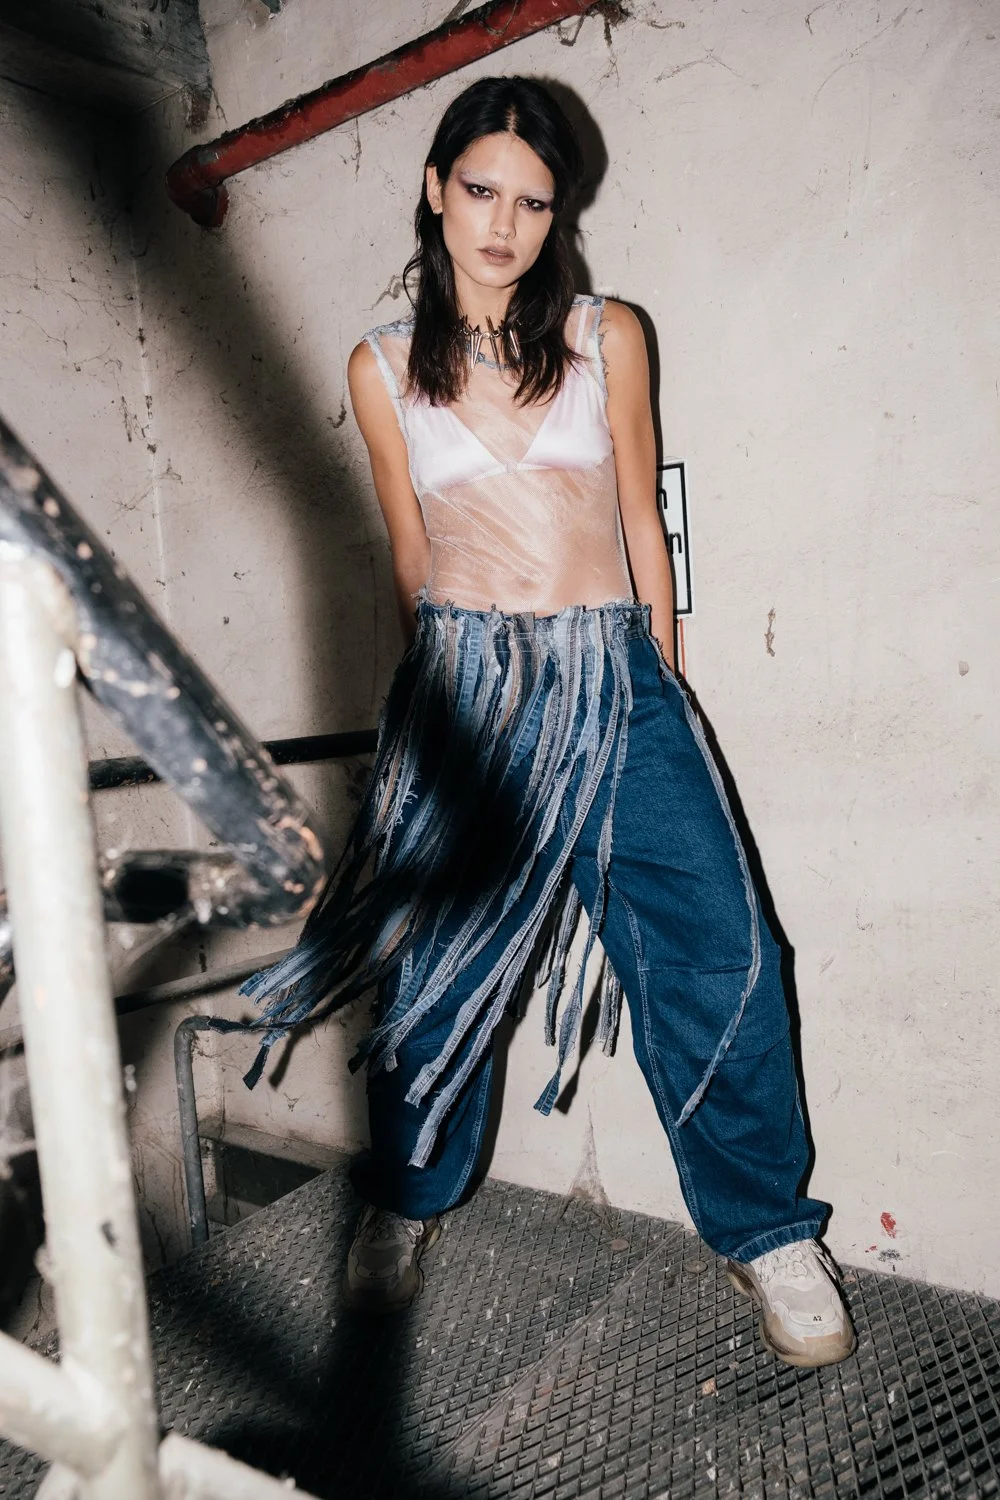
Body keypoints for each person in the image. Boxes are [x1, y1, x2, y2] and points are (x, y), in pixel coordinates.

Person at [241, 76, 855, 1368]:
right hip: (467, 687)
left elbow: (642, 526)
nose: (505, 224)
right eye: (482, 191)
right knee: (430, 976)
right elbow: (409, 559)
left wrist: (663, 688)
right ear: (434, 190)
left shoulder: (606, 335)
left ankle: (767, 1231)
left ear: (555, 212)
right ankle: (404, 1204)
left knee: (721, 944)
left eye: (533, 200)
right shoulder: (380, 366)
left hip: (613, 677)